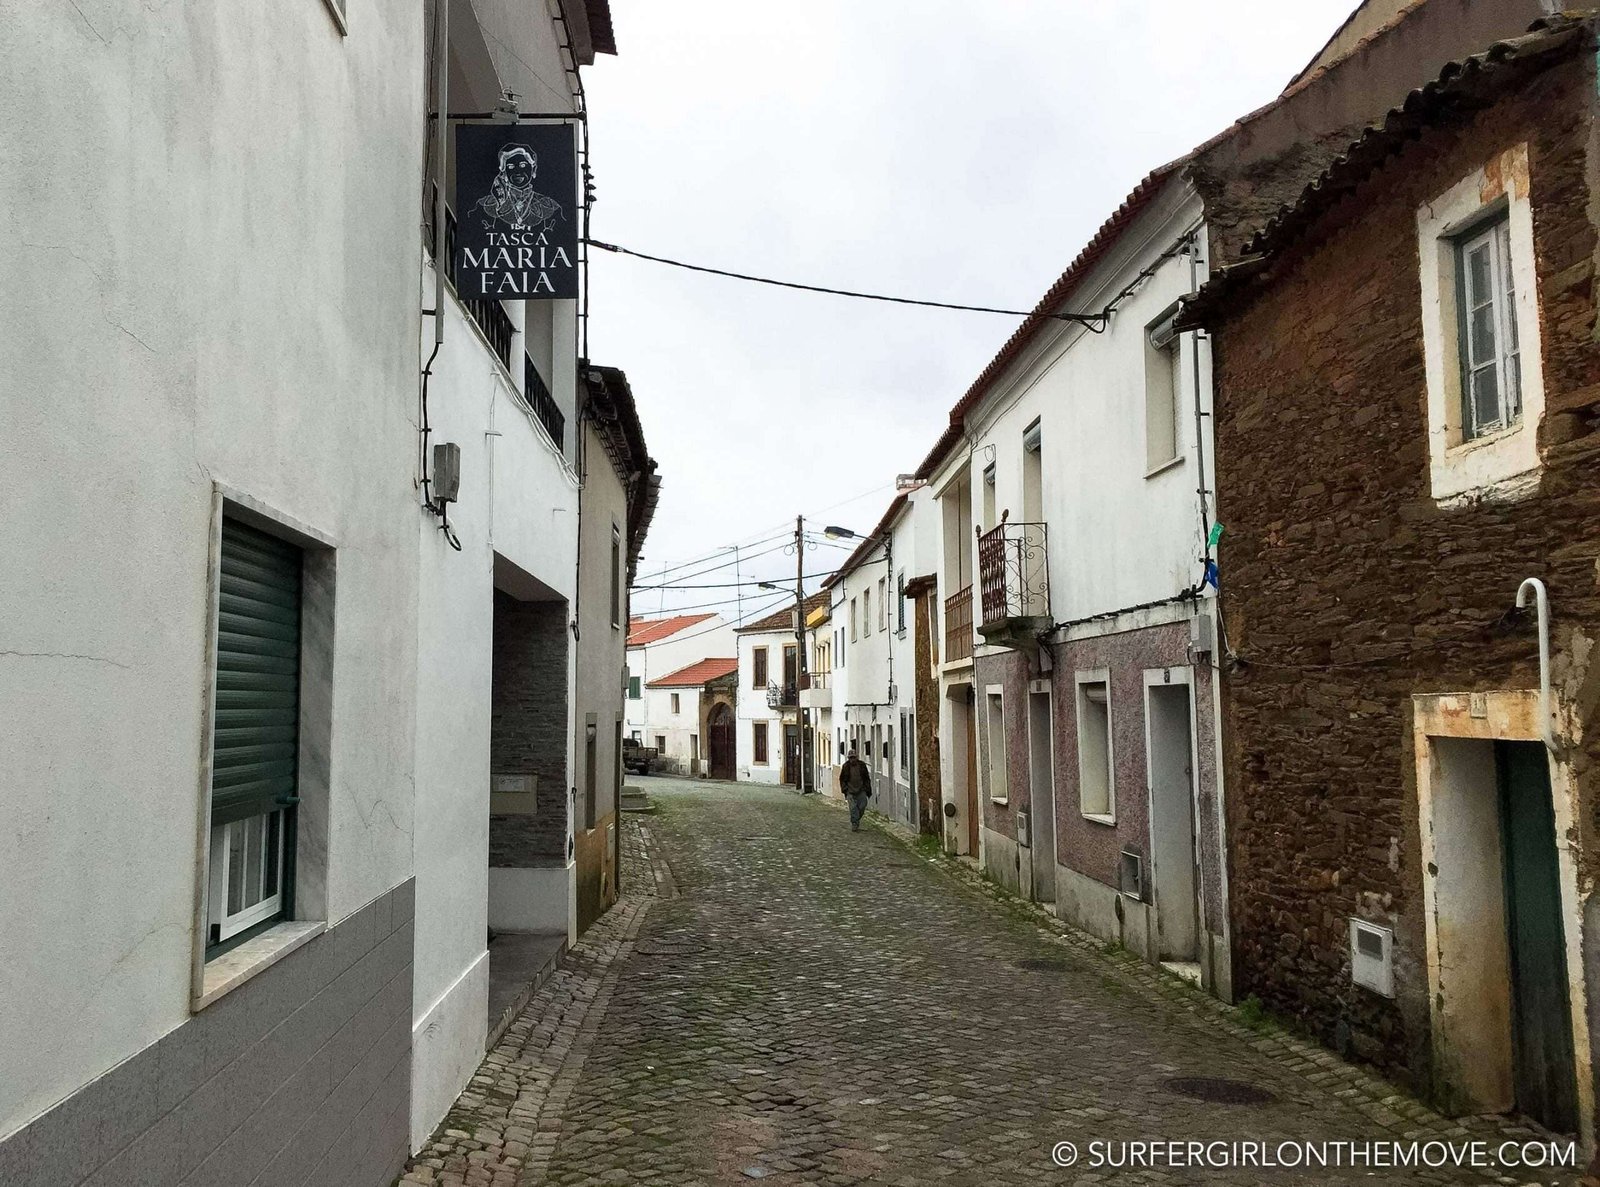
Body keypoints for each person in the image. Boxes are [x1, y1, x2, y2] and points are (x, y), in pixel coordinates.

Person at [839, 747, 872, 831]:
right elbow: (842, 779)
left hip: (861, 790)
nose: (852, 760)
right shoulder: (846, 766)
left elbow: (866, 778)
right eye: (851, 758)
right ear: (848, 758)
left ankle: (856, 819)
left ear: (856, 757)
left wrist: (867, 789)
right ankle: (854, 823)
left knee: (862, 806)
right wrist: (845, 789)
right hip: (850, 791)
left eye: (854, 757)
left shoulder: (862, 765)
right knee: (853, 808)